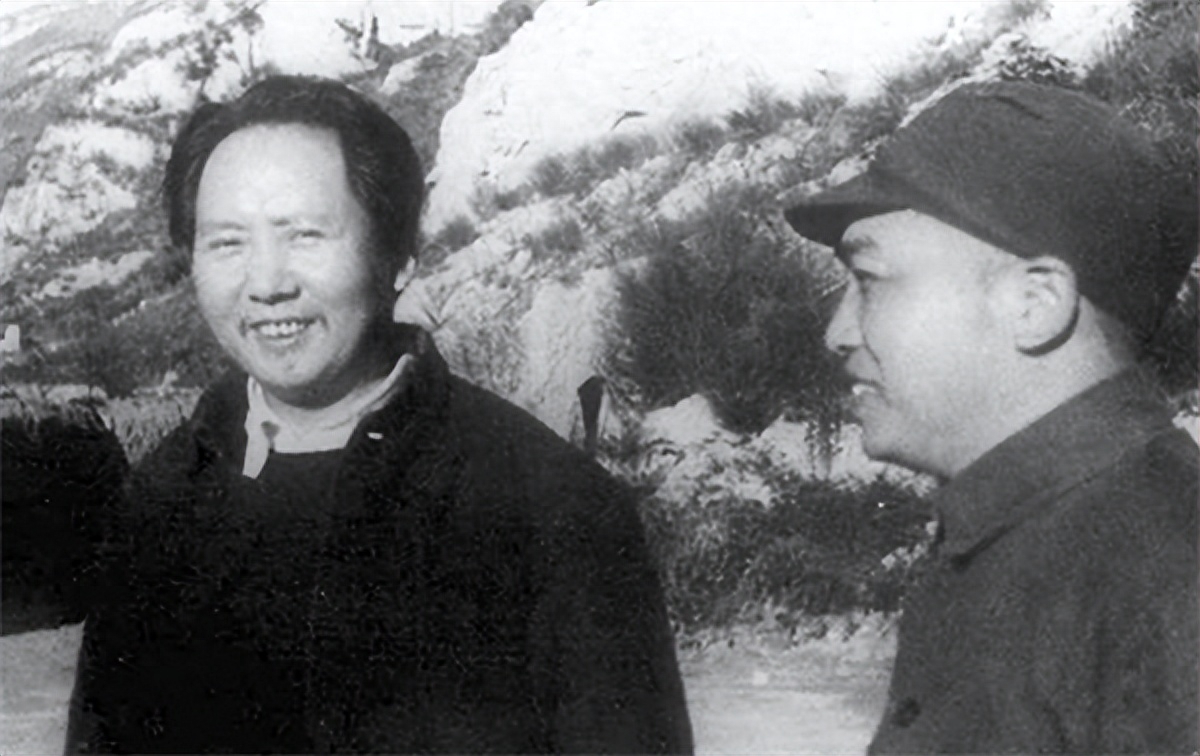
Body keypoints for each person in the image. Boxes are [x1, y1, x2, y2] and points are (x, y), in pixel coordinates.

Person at [66, 75, 692, 754]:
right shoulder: (158, 506)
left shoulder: (550, 507)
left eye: (305, 235)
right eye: (227, 243)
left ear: (396, 258)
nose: (267, 283)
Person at [784, 80, 1198, 753]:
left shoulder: (1168, 581)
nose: (837, 332)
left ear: (1034, 303)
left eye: (868, 281)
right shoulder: (1030, 537)